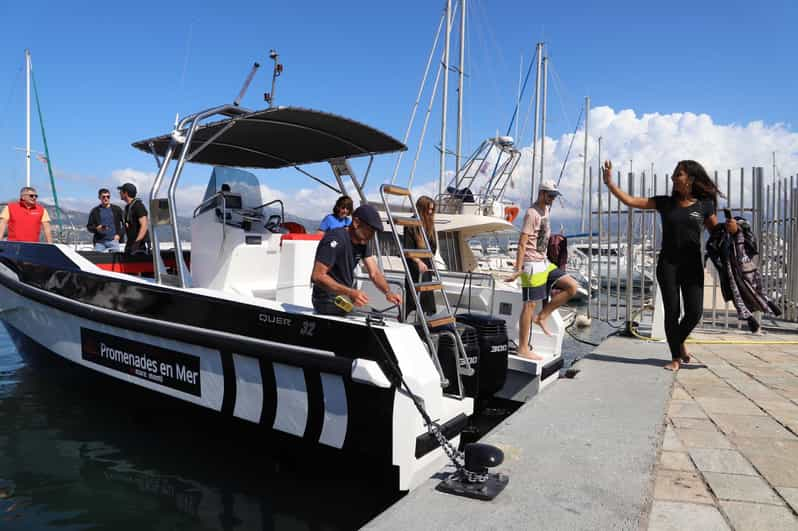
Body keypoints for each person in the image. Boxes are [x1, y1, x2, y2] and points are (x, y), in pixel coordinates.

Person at [603, 159, 736, 371]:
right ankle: (675, 357)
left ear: (690, 179)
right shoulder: (665, 203)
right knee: (672, 311)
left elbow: (716, 232)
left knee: (694, 312)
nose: (674, 178)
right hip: (668, 265)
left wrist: (732, 228)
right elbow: (631, 201)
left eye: (678, 174)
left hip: (692, 265)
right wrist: (610, 184)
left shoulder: (704, 205)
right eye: (674, 174)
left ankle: (679, 341)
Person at [506, 180, 579, 360]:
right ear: (542, 193)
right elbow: (522, 242)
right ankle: (523, 347)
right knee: (529, 305)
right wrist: (518, 268)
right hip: (531, 264)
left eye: (555, 196)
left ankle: (542, 317)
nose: (553, 199)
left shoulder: (546, 209)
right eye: (551, 195)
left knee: (572, 287)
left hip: (544, 263)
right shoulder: (531, 214)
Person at [311, 204, 401, 316]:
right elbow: (317, 276)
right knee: (367, 317)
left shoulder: (362, 242)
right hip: (326, 299)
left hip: (345, 297)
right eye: (370, 230)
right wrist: (351, 292)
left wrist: (388, 292)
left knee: (376, 315)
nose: (372, 235)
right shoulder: (335, 238)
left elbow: (375, 273)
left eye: (374, 232)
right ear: (356, 222)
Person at [404, 195, 437, 318]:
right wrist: (418, 261)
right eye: (428, 209)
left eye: (432, 210)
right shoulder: (411, 224)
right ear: (421, 208)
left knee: (426, 297)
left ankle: (423, 321)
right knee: (413, 296)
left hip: (426, 263)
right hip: (414, 263)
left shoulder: (430, 224)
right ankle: (407, 317)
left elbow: (433, 247)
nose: (430, 212)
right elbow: (408, 247)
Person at [87, 188, 124, 252]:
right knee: (96, 259)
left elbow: (125, 224)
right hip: (99, 242)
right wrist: (97, 229)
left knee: (116, 260)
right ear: (99, 197)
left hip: (113, 241)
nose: (106, 198)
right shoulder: (95, 211)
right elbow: (89, 226)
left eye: (108, 196)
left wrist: (119, 235)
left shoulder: (117, 209)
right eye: (103, 197)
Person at [117, 182, 149, 254]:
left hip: (139, 246)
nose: (119, 193)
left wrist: (136, 243)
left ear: (125, 193)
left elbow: (144, 225)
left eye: (121, 191)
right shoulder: (128, 207)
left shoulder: (138, 206)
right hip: (130, 244)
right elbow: (127, 225)